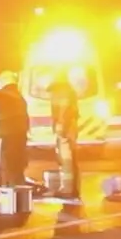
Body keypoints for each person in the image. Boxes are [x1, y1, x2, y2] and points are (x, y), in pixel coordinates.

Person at [49, 72, 82, 200]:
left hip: (66, 129)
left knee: (66, 159)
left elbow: (63, 111)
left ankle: (67, 189)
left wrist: (60, 126)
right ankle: (73, 188)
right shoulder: (69, 91)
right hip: (69, 128)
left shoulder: (63, 93)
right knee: (70, 159)